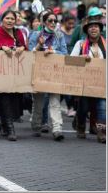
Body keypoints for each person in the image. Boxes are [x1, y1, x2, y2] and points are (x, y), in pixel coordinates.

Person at [0, 10, 27, 141]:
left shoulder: (19, 32)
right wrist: (2, 48)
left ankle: (4, 124)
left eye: (12, 19)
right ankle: (10, 128)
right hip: (1, 72)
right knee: (4, 98)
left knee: (13, 99)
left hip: (16, 72)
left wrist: (21, 48)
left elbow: (24, 47)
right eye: (7, 18)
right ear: (2, 19)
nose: (10, 21)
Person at [29, 12, 67, 141]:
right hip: (39, 72)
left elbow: (64, 53)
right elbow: (30, 53)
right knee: (38, 102)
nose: (53, 23)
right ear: (44, 22)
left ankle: (57, 129)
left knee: (55, 101)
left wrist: (53, 51)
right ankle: (36, 125)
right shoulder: (35, 34)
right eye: (50, 20)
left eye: (55, 21)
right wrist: (39, 45)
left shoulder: (59, 35)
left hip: (55, 72)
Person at [71, 19, 106, 143]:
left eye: (96, 26)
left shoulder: (106, 44)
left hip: (102, 83)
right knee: (84, 108)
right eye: (91, 27)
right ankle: (80, 126)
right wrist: (80, 58)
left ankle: (102, 133)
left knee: (102, 108)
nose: (93, 29)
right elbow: (69, 61)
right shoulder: (80, 44)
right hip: (84, 83)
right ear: (87, 30)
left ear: (100, 30)